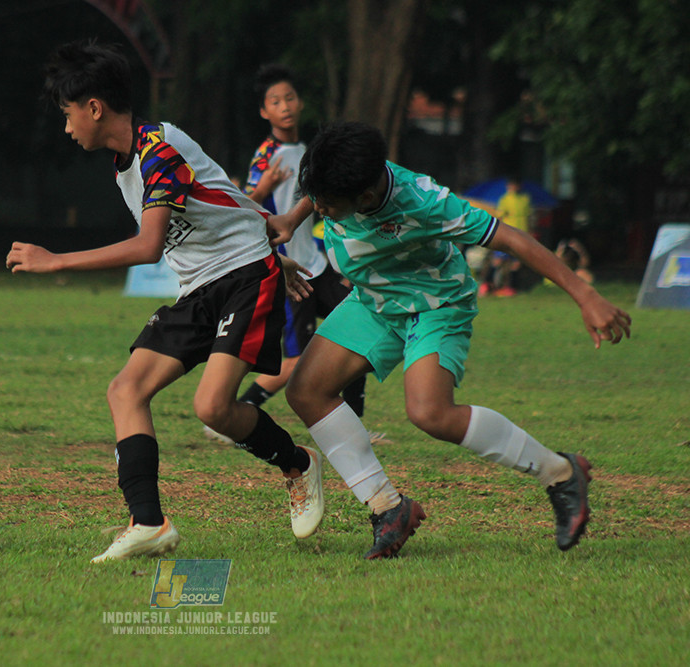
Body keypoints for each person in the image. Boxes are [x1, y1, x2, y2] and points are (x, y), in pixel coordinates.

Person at [7, 40, 324, 563]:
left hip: (243, 277)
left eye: (68, 115)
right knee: (125, 390)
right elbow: (220, 192)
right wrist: (261, 234)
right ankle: (148, 522)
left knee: (212, 406)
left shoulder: (158, 148)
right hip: (199, 287)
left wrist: (55, 260)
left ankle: (298, 465)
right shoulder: (124, 163)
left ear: (94, 108)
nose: (66, 128)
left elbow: (148, 245)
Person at [270, 121, 632, 558]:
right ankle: (389, 508)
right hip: (374, 299)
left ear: (365, 197)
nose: (320, 210)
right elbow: (322, 188)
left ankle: (560, 472)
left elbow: (513, 239)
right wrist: (293, 217)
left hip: (433, 301)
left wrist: (585, 294)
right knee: (307, 391)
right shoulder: (347, 174)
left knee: (430, 412)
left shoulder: (425, 203)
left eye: (327, 206)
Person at [203, 63, 380, 444]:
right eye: (275, 101)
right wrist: (263, 186)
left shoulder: (310, 150)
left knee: (360, 332)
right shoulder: (266, 155)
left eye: (289, 98)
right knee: (296, 362)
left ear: (300, 104)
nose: (284, 106)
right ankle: (227, 418)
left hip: (318, 265)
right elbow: (242, 208)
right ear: (264, 112)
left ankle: (357, 430)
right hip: (290, 272)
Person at [480, 178, 532, 297]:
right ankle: (487, 285)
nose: (512, 187)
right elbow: (500, 217)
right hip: (508, 234)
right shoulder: (504, 199)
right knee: (498, 260)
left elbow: (528, 216)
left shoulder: (525, 199)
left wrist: (530, 232)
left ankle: (511, 287)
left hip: (522, 234)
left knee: (516, 263)